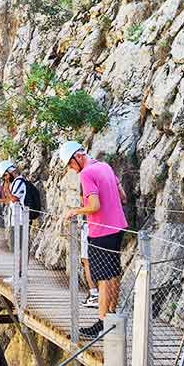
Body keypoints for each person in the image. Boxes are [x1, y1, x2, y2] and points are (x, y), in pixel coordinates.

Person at [58, 141, 128, 339]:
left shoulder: (86, 173)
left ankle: (102, 322)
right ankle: (112, 314)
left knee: (103, 278)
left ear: (78, 158)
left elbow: (94, 205)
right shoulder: (105, 166)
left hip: (101, 231)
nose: (71, 169)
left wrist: (74, 211)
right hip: (118, 227)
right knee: (114, 272)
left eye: (70, 164)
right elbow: (123, 196)